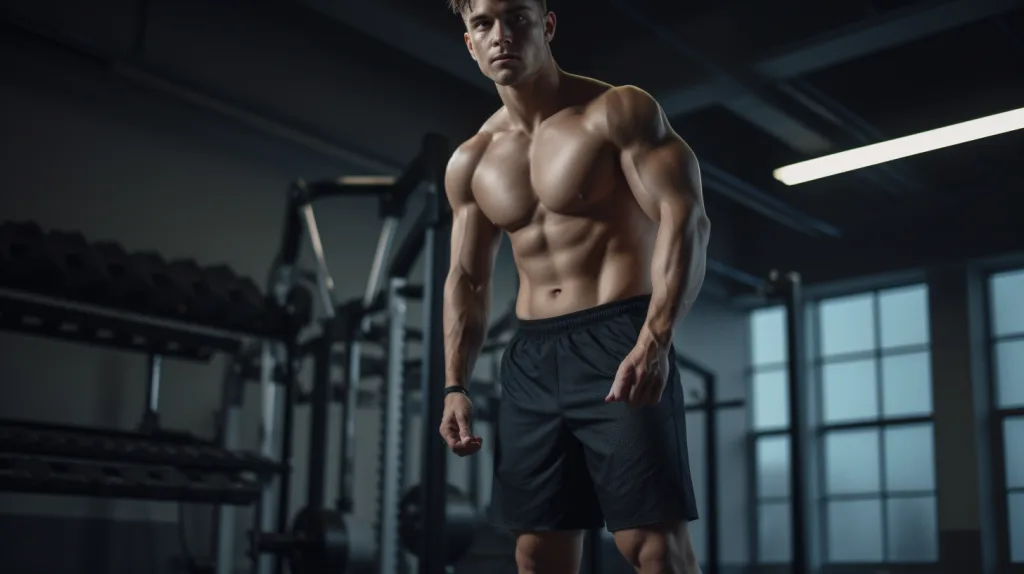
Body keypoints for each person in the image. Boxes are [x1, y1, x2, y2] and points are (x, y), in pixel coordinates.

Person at [438, 0, 711, 572]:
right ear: (468, 42)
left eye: (516, 17)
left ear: (547, 24)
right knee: (538, 553)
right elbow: (467, 278)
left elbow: (684, 220)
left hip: (618, 340)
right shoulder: (471, 160)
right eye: (482, 23)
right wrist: (454, 384)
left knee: (652, 546)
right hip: (532, 359)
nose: (500, 35)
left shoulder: (617, 112)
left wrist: (655, 339)